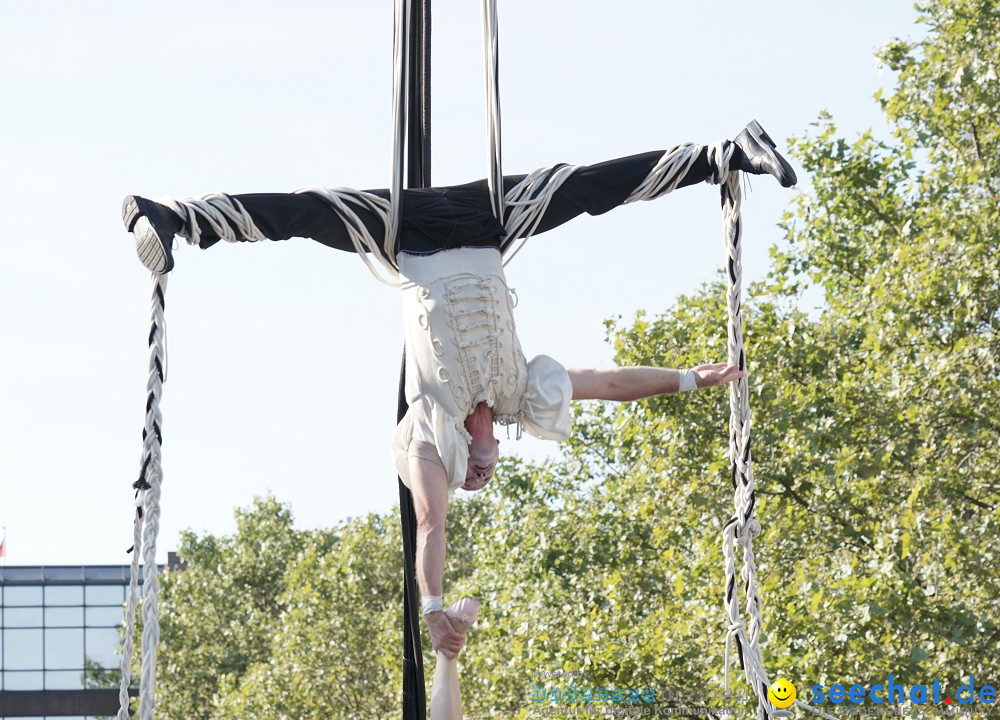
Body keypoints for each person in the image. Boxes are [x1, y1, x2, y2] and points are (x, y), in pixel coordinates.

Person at [121, 120, 795, 661]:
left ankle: (170, 217)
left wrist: (434, 608)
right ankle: (724, 153)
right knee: (583, 189)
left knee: (305, 212)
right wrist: (687, 378)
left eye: (465, 474)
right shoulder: (522, 394)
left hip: (403, 233)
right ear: (497, 448)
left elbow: (430, 522)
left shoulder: (430, 420)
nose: (476, 470)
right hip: (486, 221)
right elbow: (607, 383)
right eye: (486, 472)